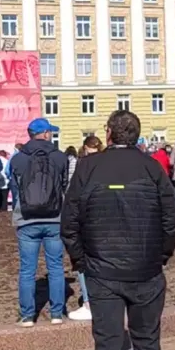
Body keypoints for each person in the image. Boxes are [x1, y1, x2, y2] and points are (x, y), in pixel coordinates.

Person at [61, 110, 175, 350]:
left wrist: (83, 261)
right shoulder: (152, 167)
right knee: (145, 342)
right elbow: (171, 220)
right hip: (140, 269)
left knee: (109, 349)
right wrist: (160, 255)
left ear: (110, 133)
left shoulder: (88, 168)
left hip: (105, 273)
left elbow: (69, 223)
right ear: (136, 135)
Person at [10, 118, 69, 326]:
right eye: (49, 132)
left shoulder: (17, 159)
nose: (51, 135)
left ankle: (27, 316)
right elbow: (64, 186)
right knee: (55, 266)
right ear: (44, 133)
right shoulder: (60, 157)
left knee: (27, 269)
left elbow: (15, 187)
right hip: (54, 218)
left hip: (26, 219)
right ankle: (56, 313)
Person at [68, 135, 105, 322]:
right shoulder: (107, 165)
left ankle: (90, 303)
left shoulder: (81, 165)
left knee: (82, 260)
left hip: (86, 217)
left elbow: (73, 193)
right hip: (104, 217)